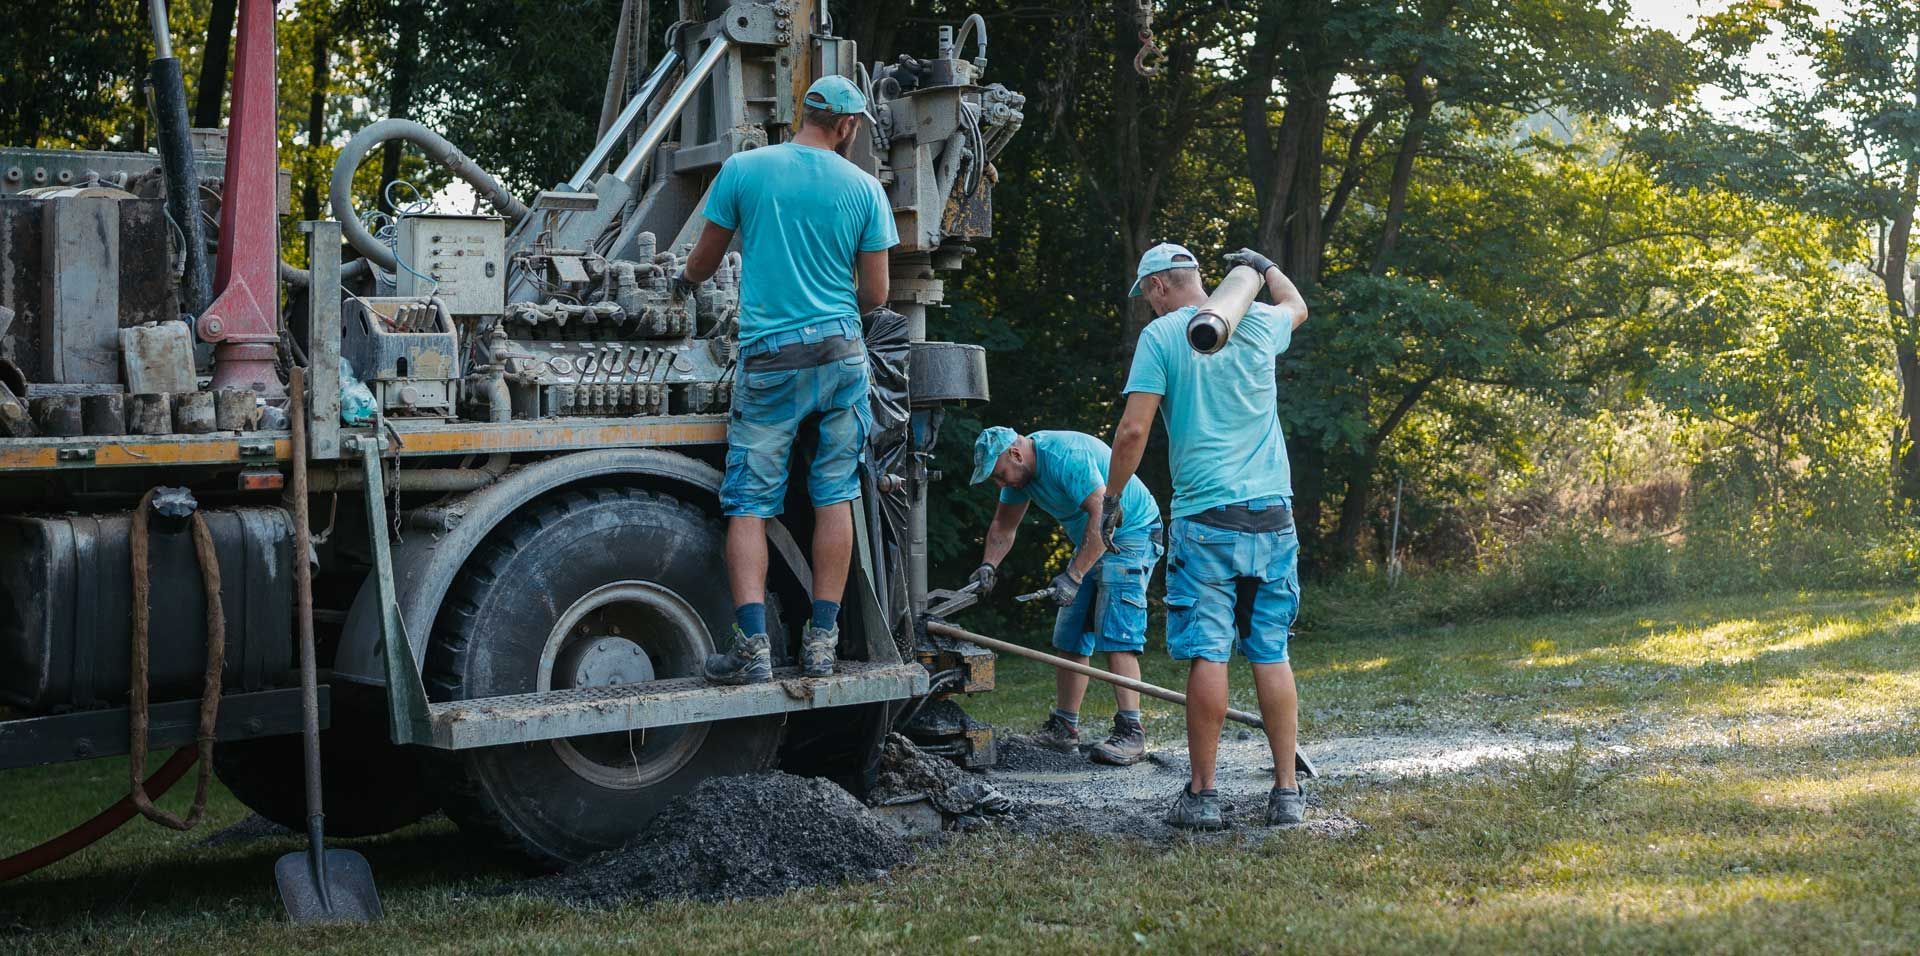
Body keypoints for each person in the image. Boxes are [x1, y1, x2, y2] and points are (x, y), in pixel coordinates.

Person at [682, 75, 898, 684]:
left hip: (771, 361)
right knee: (836, 494)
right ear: (848, 125)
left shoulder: (745, 171)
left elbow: (699, 266)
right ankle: (822, 646)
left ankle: (752, 653)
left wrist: (689, 288)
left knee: (750, 504)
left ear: (803, 113)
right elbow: (876, 295)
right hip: (841, 357)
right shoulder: (864, 188)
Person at [1100, 242, 1310, 829]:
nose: (1147, 307)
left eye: (1147, 296)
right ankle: (1286, 794)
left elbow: (1132, 431)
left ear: (1159, 288)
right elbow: (1297, 304)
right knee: (1271, 651)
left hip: (1205, 519)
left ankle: (1203, 796)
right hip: (1272, 512)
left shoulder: (1164, 337)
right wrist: (1267, 267)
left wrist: (1112, 500)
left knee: (1210, 653)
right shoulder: (1261, 320)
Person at [968, 426, 1163, 764]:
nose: (1001, 484)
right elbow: (1004, 526)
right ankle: (1064, 730)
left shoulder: (1063, 457)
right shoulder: (1021, 477)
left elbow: (1106, 516)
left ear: (1015, 454)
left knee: (1117, 634)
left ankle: (1132, 732)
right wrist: (988, 565)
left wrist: (1073, 576)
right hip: (1094, 537)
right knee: (1069, 635)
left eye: (999, 475)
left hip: (1130, 532)